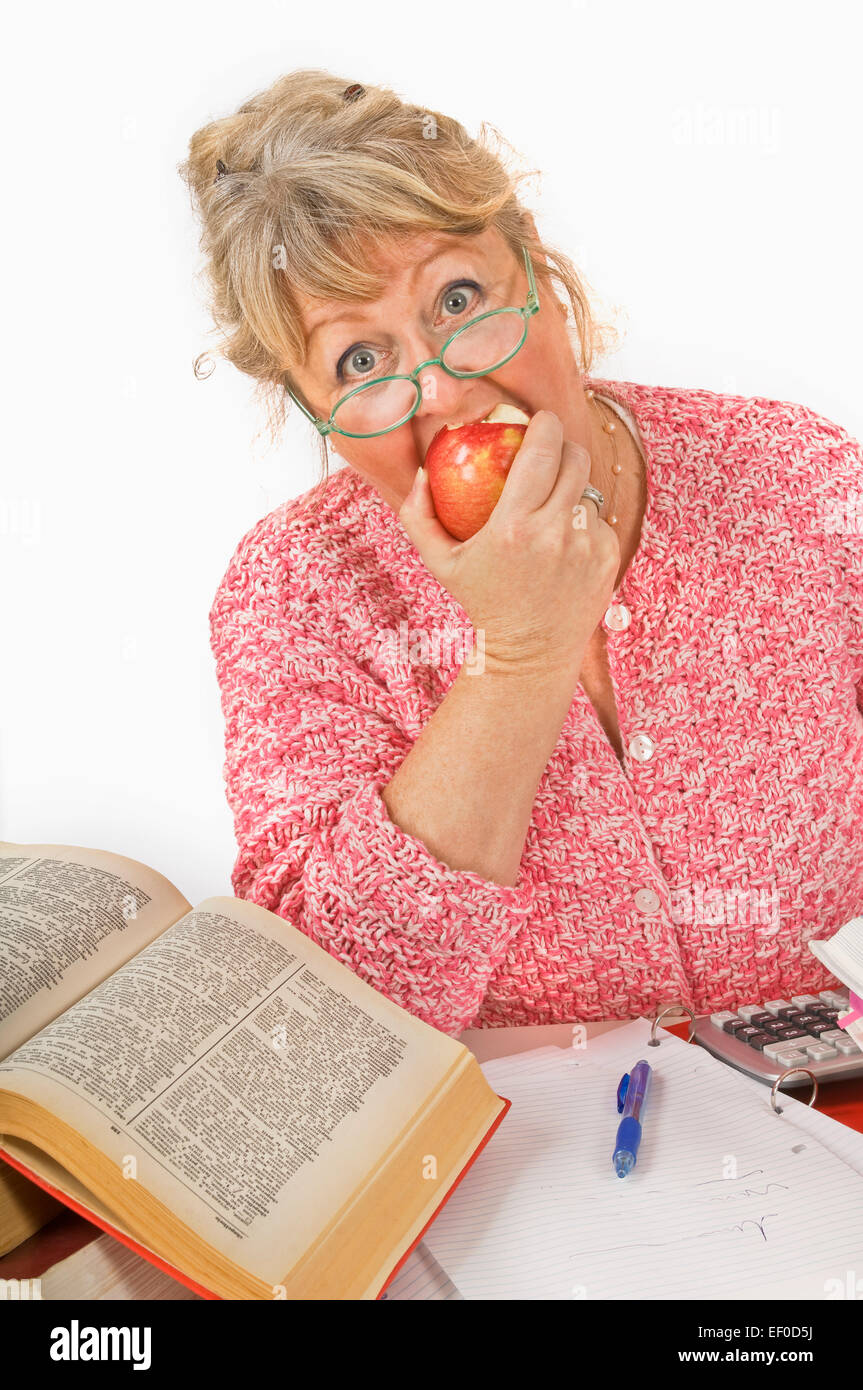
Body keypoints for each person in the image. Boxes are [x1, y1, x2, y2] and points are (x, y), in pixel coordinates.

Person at [179, 69, 863, 1036]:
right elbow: (333, 1028)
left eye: (457, 298)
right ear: (313, 411)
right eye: (360, 361)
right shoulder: (294, 593)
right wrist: (521, 657)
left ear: (538, 272)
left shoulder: (797, 474)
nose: (448, 394)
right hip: (532, 1172)